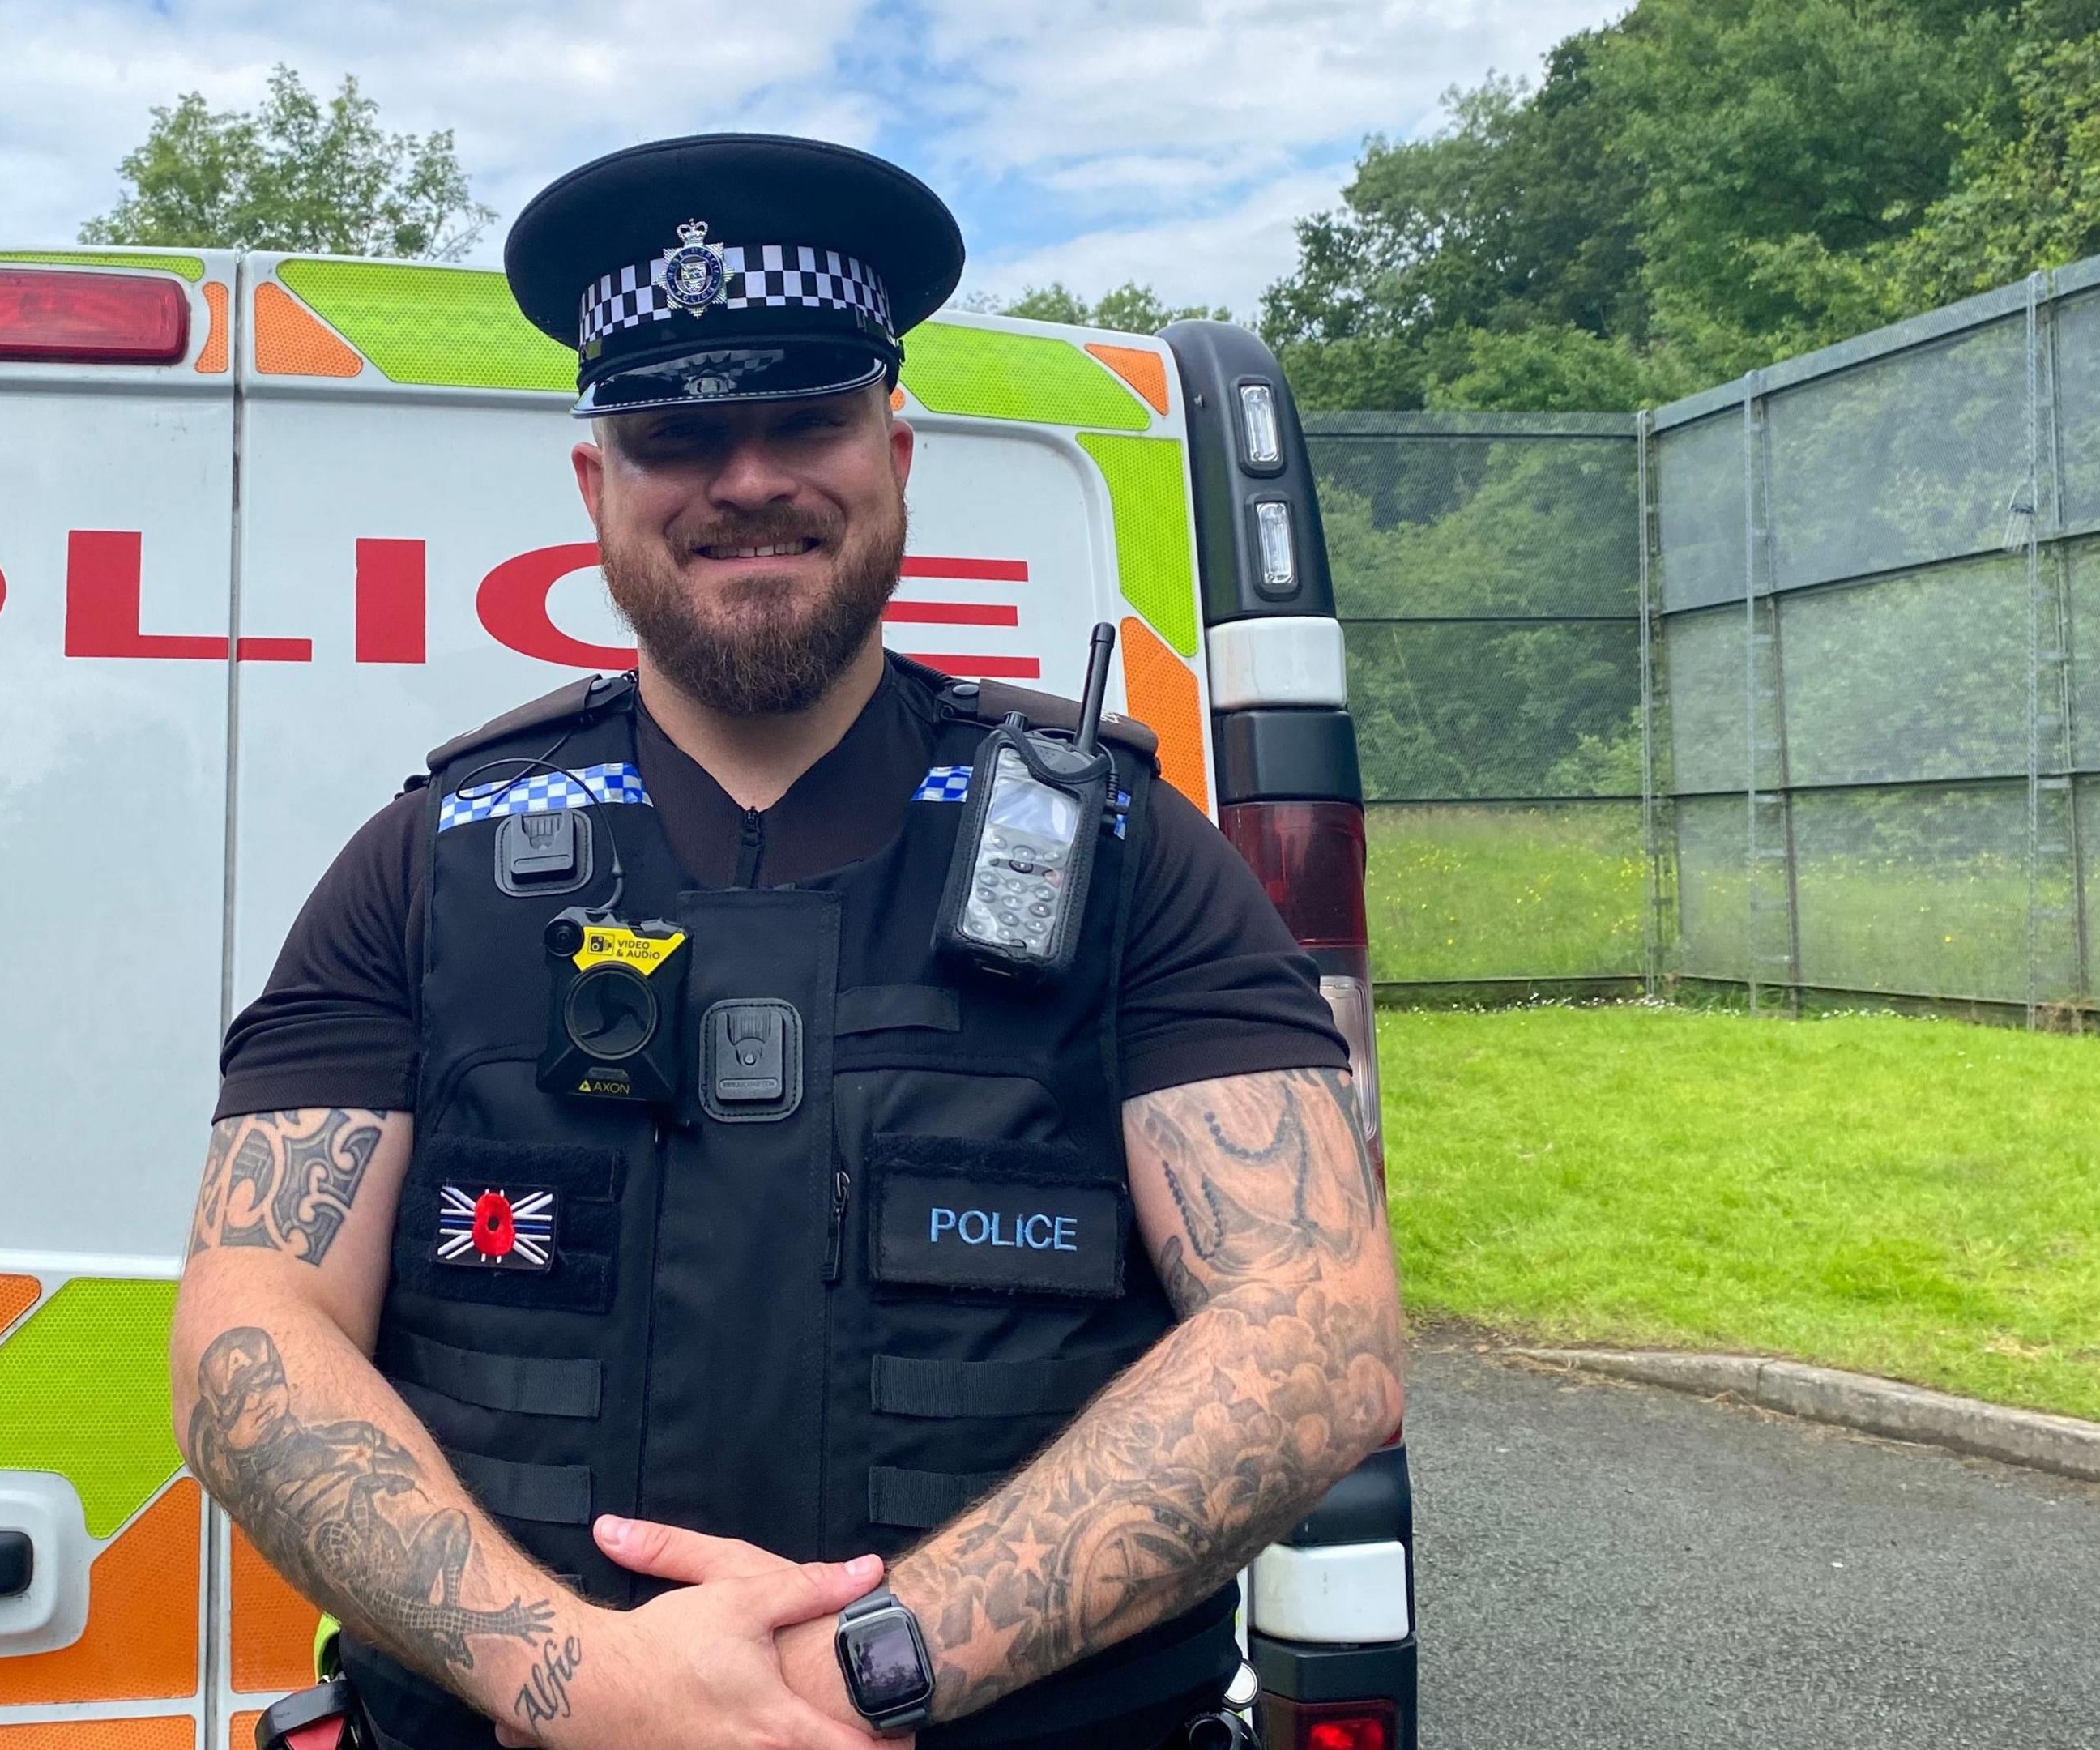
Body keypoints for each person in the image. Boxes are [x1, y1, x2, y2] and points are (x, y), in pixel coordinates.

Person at [177, 132, 1405, 1750]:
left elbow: (1317, 1335)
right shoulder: (427, 865)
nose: (747, 479)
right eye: (680, 432)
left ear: (896, 452)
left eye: (805, 418)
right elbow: (246, 1336)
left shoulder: (1121, 856)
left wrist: (841, 1685)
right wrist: (588, 1682)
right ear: (596, 484)